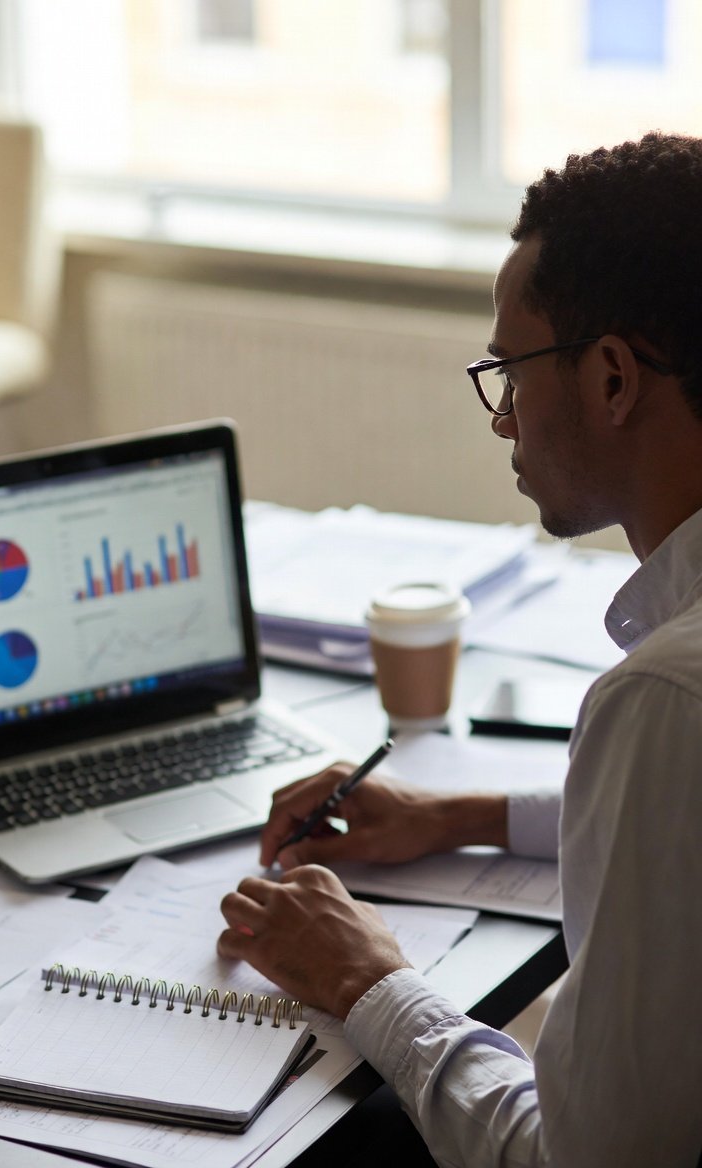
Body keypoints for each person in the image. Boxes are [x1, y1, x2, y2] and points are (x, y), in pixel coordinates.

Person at [217, 131, 702, 1167]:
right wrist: (464, 815)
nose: (502, 421)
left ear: (612, 378)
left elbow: (575, 1160)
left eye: (510, 370)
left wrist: (368, 977)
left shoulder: (666, 696)